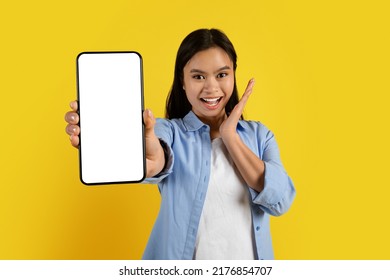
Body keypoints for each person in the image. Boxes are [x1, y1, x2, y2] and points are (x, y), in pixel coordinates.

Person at [65, 28, 296, 260]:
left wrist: (230, 136)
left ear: (233, 75)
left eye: (222, 75)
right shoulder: (169, 131)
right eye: (198, 76)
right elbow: (156, 157)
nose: (211, 87)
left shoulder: (260, 136)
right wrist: (136, 157)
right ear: (183, 82)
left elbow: (281, 201)